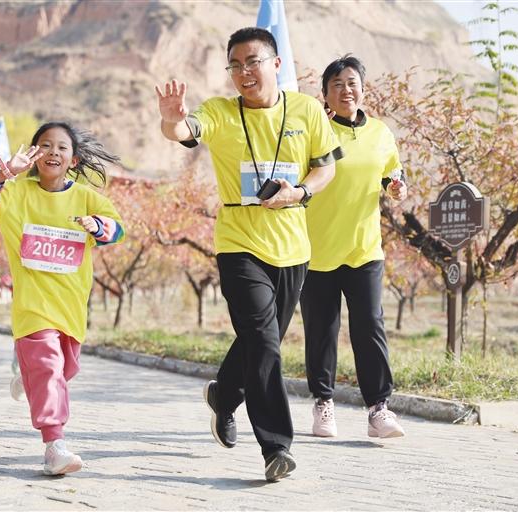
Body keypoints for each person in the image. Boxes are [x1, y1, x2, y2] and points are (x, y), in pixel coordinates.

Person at [156, 27, 341, 482]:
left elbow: (327, 166)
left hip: (293, 246)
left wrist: (298, 192)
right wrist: (170, 119)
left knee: (263, 342)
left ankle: (224, 396)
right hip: (239, 244)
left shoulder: (306, 111)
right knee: (263, 341)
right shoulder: (220, 113)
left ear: (276, 64)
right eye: (235, 65)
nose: (244, 72)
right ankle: (276, 446)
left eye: (253, 61)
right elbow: (184, 129)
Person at [0, 121, 125, 476]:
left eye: (62, 147)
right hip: (32, 307)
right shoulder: (15, 193)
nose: (53, 152)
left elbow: (117, 228)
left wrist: (99, 227)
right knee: (50, 369)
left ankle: (29, 377)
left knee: (63, 369)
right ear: (34, 154)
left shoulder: (86, 198)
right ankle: (55, 446)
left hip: (70, 307)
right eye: (45, 145)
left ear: (73, 159)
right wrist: (1, 175)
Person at [300, 55, 408, 439]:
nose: (346, 90)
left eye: (352, 82)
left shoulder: (380, 132)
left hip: (364, 249)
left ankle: (379, 409)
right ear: (325, 94)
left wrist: (396, 186)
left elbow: (393, 175)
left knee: (370, 327)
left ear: (363, 87)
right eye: (337, 84)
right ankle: (323, 404)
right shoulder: (316, 132)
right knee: (321, 330)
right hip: (317, 251)